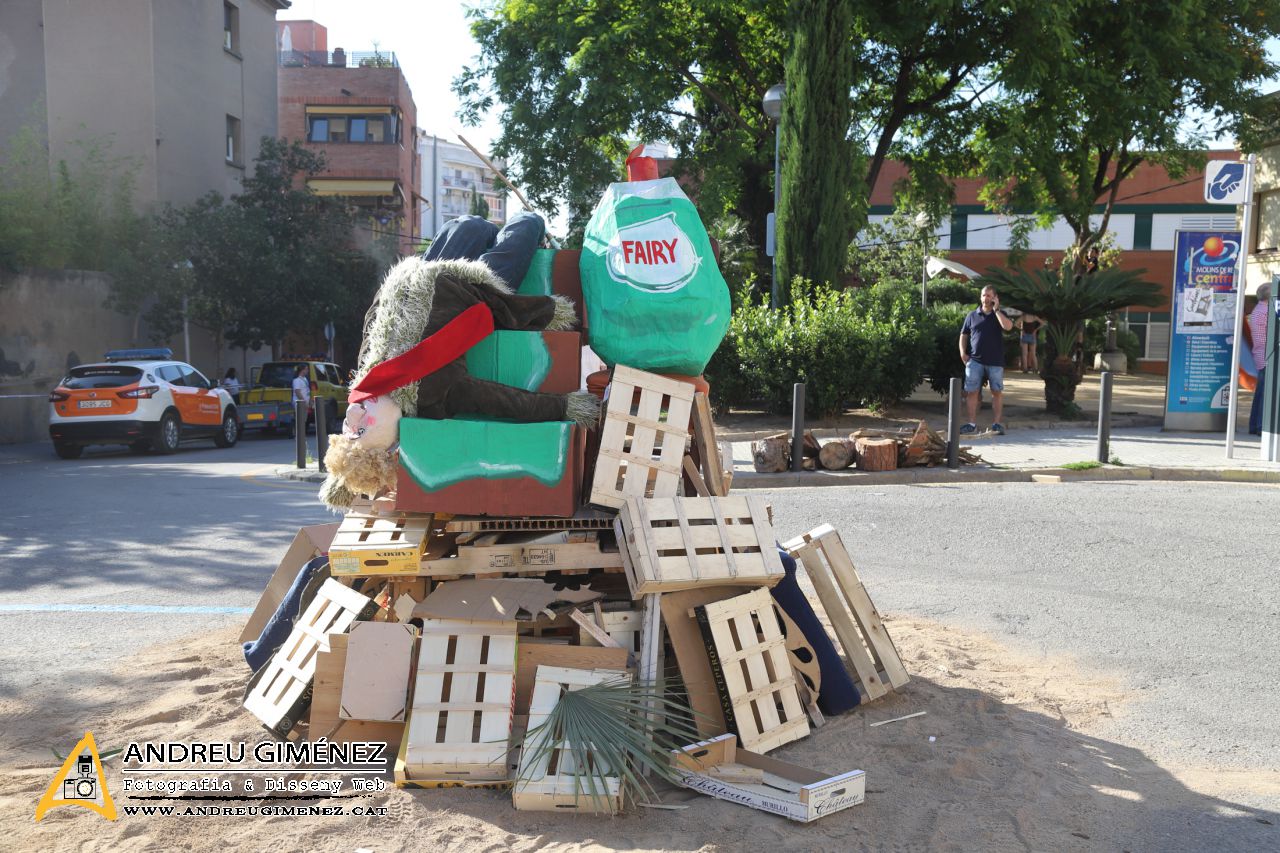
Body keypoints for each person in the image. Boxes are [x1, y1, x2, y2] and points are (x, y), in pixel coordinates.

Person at [959, 284, 1014, 434]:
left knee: (996, 392)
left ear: (995, 298)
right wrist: (963, 352)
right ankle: (971, 424)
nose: (986, 298)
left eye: (989, 295)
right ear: (980, 297)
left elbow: (1008, 327)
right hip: (975, 361)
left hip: (995, 361)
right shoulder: (972, 315)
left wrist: (996, 310)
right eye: (984, 295)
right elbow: (963, 335)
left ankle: (996, 424)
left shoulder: (999, 314)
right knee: (972, 392)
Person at [1248, 282, 1271, 435]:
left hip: (1261, 356)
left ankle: (1255, 425)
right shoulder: (1267, 311)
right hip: (1268, 356)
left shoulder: (1258, 309)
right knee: (1266, 393)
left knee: (1261, 392)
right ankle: (1261, 426)